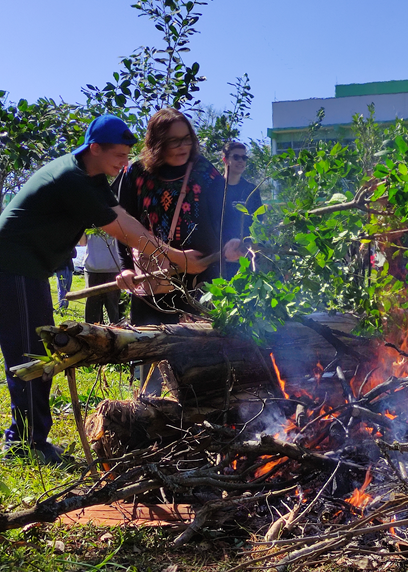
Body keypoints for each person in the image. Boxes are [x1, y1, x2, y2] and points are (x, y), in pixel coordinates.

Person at [0, 114, 217, 464]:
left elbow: (127, 219)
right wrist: (179, 259)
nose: (124, 162)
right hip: (12, 268)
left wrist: (173, 256)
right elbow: (122, 231)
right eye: (118, 155)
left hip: (29, 270)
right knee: (28, 355)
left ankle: (30, 438)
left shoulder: (93, 175)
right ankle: (24, 444)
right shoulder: (72, 179)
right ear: (95, 148)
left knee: (38, 352)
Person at [115, 108, 235, 328]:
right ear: (157, 142)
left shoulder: (205, 172)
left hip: (200, 276)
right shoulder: (136, 173)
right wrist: (126, 268)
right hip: (151, 277)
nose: (183, 146)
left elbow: (227, 217)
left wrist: (232, 242)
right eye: (174, 141)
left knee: (199, 351)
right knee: (149, 345)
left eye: (187, 139)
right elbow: (123, 224)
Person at [222, 141, 262, 277]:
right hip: (220, 257)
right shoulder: (215, 187)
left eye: (244, 158)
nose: (241, 161)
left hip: (245, 256)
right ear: (225, 159)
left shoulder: (251, 190)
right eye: (236, 157)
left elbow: (258, 222)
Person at [83, 231, 122, 324]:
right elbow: (82, 242)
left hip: (112, 268)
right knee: (93, 311)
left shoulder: (116, 218)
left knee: (113, 309)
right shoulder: (87, 221)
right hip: (93, 268)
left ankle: (116, 334)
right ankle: (91, 335)